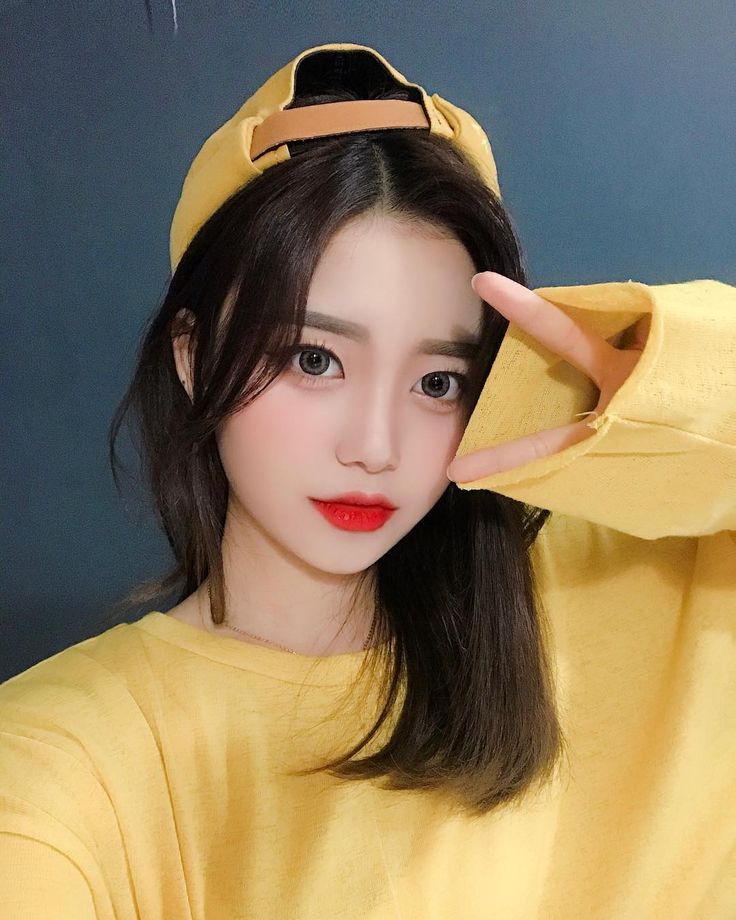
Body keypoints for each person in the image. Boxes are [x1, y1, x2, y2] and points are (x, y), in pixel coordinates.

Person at [1, 41, 734, 919]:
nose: (376, 447)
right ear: (192, 357)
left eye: (439, 382)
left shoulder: (637, 586)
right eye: (314, 359)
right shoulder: (61, 756)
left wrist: (665, 386)